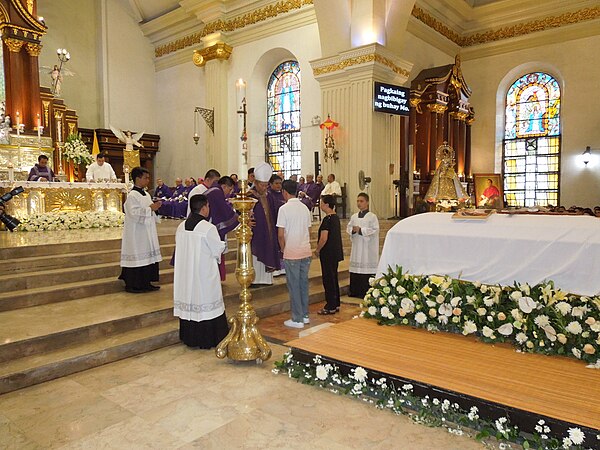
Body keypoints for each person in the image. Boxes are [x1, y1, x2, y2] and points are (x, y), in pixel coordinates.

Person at [173, 194, 229, 348]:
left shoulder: (181, 226)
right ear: (204, 208)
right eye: (208, 206)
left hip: (186, 273)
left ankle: (190, 337)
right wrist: (223, 245)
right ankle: (208, 339)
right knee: (205, 298)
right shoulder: (208, 228)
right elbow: (217, 250)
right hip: (203, 274)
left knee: (190, 299)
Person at [119, 167, 162, 293]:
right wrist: (150, 209)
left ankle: (146, 282)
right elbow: (133, 213)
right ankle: (134, 284)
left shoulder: (146, 194)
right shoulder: (132, 195)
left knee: (148, 258)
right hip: (136, 233)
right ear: (137, 178)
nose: (148, 180)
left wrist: (155, 208)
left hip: (147, 231)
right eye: (145, 178)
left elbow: (148, 209)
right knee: (138, 256)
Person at [277, 179, 312, 328]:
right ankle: (304, 315)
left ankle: (297, 319)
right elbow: (309, 230)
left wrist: (283, 248)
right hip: (305, 250)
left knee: (294, 285)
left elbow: (280, 233)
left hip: (292, 252)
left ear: (284, 192)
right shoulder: (304, 207)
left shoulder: (284, 209)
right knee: (303, 284)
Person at [249, 162, 281, 285]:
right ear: (256, 183)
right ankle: (255, 280)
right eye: (262, 185)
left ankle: (266, 280)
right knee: (256, 255)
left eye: (266, 185)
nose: (264, 188)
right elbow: (240, 212)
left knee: (268, 249)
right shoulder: (249, 195)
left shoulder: (269, 196)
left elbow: (274, 212)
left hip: (268, 230)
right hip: (256, 231)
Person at [315, 195, 344, 314]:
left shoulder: (327, 219)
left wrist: (317, 250)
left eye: (321, 203)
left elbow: (323, 238)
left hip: (327, 253)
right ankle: (336, 303)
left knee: (328, 279)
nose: (320, 205)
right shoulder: (335, 218)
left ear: (327, 205)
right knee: (333, 277)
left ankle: (330, 305)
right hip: (335, 252)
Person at [347, 193, 379, 298]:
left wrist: (361, 230)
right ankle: (354, 291)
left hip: (367, 249)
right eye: (357, 201)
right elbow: (349, 228)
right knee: (356, 269)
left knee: (366, 268)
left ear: (367, 202)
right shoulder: (354, 216)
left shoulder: (372, 217)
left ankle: (366, 293)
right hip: (357, 246)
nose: (359, 203)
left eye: (361, 201)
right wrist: (352, 230)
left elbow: (375, 230)